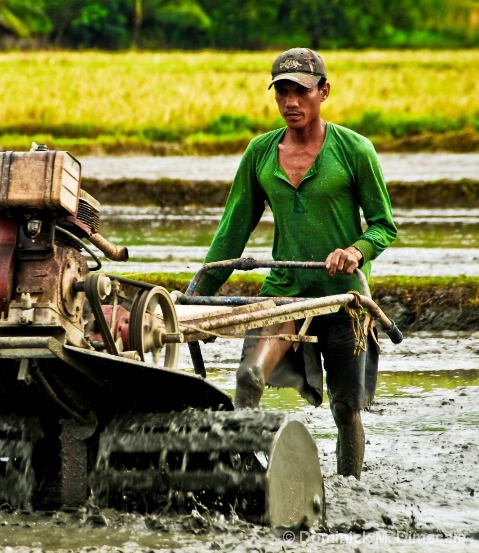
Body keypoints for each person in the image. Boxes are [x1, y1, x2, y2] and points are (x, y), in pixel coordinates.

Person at [194, 48, 397, 479]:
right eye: (282, 92)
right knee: (250, 377)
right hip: (286, 290)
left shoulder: (354, 150)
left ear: (323, 92)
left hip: (343, 296)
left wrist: (355, 251)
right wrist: (199, 300)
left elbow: (384, 226)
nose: (291, 102)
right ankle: (243, 477)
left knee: (346, 407)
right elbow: (232, 232)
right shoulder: (260, 154)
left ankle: (350, 490)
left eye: (301, 91)